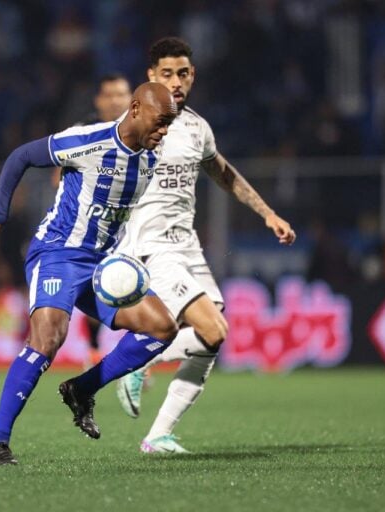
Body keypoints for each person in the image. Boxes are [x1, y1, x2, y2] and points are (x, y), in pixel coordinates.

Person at [0, 82, 180, 465]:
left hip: (103, 267)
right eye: (160, 121)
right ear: (136, 109)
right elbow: (20, 156)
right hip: (59, 254)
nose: (164, 131)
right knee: (48, 339)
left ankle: (82, 389)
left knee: (163, 328)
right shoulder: (87, 141)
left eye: (170, 124)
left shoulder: (151, 159)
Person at [115, 37, 296, 454]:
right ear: (150, 77)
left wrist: (267, 213)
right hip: (152, 246)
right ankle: (139, 359)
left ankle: (157, 435)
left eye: (182, 74)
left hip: (186, 245)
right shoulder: (135, 123)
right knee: (213, 330)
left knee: (212, 340)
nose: (175, 82)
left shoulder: (197, 127)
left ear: (192, 76)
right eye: (166, 74)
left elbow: (224, 173)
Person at [63, 73, 133, 368]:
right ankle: (94, 350)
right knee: (98, 291)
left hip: (132, 224)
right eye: (110, 95)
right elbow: (58, 175)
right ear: (99, 100)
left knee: (137, 292)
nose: (117, 100)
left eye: (122, 94)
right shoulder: (84, 132)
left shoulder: (142, 131)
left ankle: (134, 360)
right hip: (94, 226)